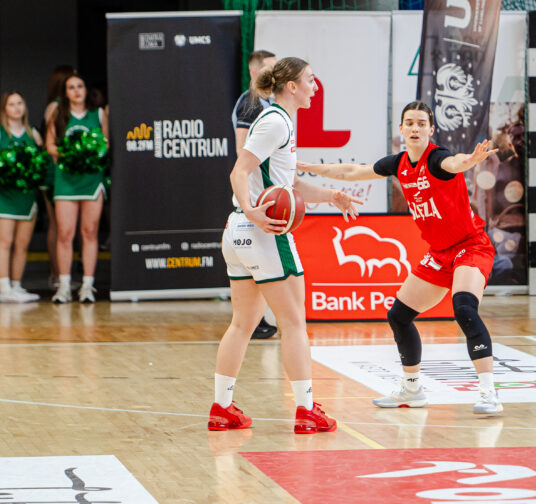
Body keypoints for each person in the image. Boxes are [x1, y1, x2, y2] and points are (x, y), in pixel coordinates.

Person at [297, 100, 503, 415]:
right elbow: (352, 171)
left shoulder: (437, 158)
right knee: (398, 316)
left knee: (463, 308)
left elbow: (454, 163)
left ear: (431, 130)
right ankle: (412, 389)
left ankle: (489, 393)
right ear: (401, 129)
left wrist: (470, 161)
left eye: (421, 123)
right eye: (410, 123)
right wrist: (308, 167)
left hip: (470, 246)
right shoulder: (398, 163)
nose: (415, 128)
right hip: (439, 254)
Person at [209, 57, 361, 433]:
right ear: (291, 86)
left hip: (238, 232)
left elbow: (288, 184)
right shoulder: (276, 122)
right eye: (310, 79)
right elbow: (239, 170)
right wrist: (253, 210)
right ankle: (306, 410)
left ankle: (221, 408)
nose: (315, 86)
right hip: (263, 231)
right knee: (293, 324)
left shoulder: (280, 122)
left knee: (242, 323)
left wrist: (332, 196)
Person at [45, 72, 108, 303]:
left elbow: (105, 144)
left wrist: (89, 153)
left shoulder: (97, 114)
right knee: (65, 233)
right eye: (71, 87)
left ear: (85, 89)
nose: (76, 91)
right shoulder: (58, 114)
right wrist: (70, 153)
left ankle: (87, 286)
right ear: (65, 93)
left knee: (89, 232)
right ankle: (64, 286)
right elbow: (50, 145)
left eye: (80, 86)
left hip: (91, 180)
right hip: (66, 180)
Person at [232, 49, 278, 339]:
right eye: (271, 68)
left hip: (263, 189)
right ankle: (256, 319)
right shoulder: (250, 103)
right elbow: (242, 152)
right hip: (253, 193)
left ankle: (258, 319)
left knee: (260, 257)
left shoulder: (268, 102)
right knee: (256, 258)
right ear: (254, 72)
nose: (276, 74)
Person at [0, 91, 43, 303]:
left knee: (22, 244)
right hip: (3, 195)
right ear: (4, 109)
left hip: (26, 196)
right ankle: (4, 289)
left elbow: (42, 162)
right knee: (4, 242)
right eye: (11, 104)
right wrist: (8, 169)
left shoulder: (33, 133)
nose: (17, 108)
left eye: (20, 103)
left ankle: (17, 286)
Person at [41, 65, 76, 290]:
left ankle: (61, 273)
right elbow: (53, 140)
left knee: (63, 226)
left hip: (65, 171)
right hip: (55, 171)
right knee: (57, 224)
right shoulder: (56, 107)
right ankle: (56, 274)